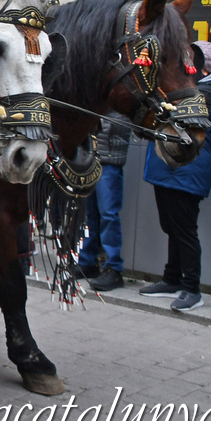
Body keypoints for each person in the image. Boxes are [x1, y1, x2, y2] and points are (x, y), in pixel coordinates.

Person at [140, 40, 211, 312]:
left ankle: (192, 289)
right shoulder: (197, 87)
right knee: (171, 227)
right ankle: (172, 278)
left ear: (203, 68)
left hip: (188, 172)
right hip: (169, 169)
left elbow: (173, 110)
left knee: (184, 231)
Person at [76, 114, 133, 291]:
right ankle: (88, 262)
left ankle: (114, 268)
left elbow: (119, 124)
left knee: (108, 214)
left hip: (108, 160)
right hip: (90, 158)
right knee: (88, 213)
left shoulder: (118, 97)